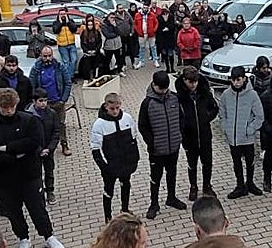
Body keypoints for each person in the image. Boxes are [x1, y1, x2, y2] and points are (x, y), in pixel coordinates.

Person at [0, 88, 65, 248]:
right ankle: (23, 238)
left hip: (30, 176)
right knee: (14, 212)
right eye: (4, 108)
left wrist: (8, 148)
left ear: (16, 103)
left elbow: (35, 142)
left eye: (11, 106)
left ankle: (48, 236)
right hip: (5, 180)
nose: (8, 110)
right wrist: (17, 154)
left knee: (38, 209)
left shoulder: (29, 120)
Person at [138, 70, 186, 219]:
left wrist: (179, 135)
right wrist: (151, 143)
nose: (163, 92)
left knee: (172, 173)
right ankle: (154, 204)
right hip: (157, 149)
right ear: (154, 85)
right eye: (160, 89)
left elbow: (181, 118)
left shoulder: (174, 98)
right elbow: (142, 126)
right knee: (155, 177)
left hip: (173, 146)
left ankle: (171, 198)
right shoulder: (147, 103)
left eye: (166, 89)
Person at [89, 92, 140, 222]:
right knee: (108, 191)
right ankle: (108, 216)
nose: (116, 111)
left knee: (126, 185)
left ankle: (125, 209)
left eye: (118, 108)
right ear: (106, 106)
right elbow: (96, 149)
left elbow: (134, 139)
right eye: (112, 109)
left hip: (126, 164)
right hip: (110, 167)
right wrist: (105, 167)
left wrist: (134, 159)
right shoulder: (99, 124)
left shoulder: (127, 118)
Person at [218, 66, 265, 200]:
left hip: (247, 138)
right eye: (233, 80)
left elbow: (259, 116)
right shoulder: (226, 95)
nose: (236, 83)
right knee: (236, 163)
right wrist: (226, 129)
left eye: (239, 79)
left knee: (250, 162)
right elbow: (222, 115)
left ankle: (250, 183)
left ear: (244, 79)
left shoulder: (252, 95)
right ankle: (240, 186)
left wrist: (249, 130)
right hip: (233, 138)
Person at [175, 66, 218, 201]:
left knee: (207, 163)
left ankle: (207, 186)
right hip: (189, 138)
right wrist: (183, 129)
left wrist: (206, 117)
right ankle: (193, 187)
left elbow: (214, 108)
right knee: (192, 164)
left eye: (195, 81)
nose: (193, 85)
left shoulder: (204, 93)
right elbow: (177, 117)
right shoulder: (179, 97)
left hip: (205, 135)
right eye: (190, 82)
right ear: (184, 80)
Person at [28, 47, 71, 156]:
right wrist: (35, 100)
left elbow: (68, 83)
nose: (47, 58)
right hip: (43, 104)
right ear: (41, 56)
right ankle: (44, 147)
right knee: (44, 126)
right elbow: (31, 86)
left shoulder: (59, 67)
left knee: (60, 125)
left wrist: (63, 99)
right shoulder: (36, 69)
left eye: (49, 55)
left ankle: (64, 144)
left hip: (58, 102)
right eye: (45, 56)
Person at [27, 89, 61, 203]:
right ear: (34, 101)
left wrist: (50, 148)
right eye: (40, 101)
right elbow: (27, 136)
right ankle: (38, 193)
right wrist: (38, 149)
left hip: (48, 149)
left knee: (49, 171)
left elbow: (56, 132)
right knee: (36, 173)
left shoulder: (52, 114)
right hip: (35, 151)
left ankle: (50, 191)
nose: (43, 103)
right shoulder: (28, 115)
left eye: (45, 101)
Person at [50, 9, 79, 80]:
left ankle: (69, 76)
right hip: (62, 46)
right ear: (58, 15)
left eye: (64, 14)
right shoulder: (56, 23)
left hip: (71, 44)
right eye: (61, 14)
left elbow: (74, 29)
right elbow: (56, 30)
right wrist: (60, 23)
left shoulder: (70, 21)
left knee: (74, 60)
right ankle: (69, 77)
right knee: (66, 62)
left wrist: (68, 22)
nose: (63, 15)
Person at [79, 16, 104, 80]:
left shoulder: (96, 32)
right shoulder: (84, 33)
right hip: (87, 53)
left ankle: (96, 77)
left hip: (96, 52)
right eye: (89, 25)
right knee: (87, 66)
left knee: (96, 65)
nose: (90, 26)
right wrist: (87, 51)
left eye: (91, 25)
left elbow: (99, 42)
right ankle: (88, 78)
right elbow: (82, 43)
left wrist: (95, 50)